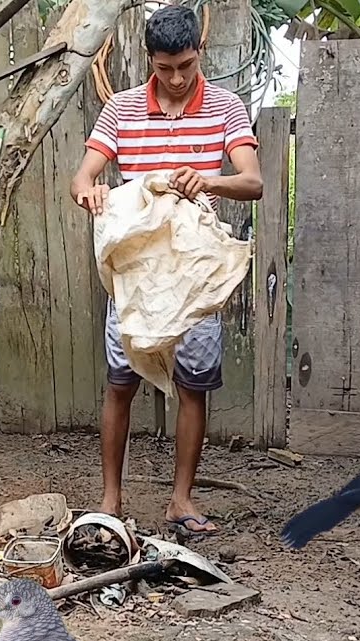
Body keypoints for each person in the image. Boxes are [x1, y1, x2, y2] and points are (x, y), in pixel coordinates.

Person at [69, 4, 263, 535]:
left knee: (193, 385)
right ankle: (111, 500)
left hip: (195, 271)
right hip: (137, 274)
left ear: (200, 52)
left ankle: (181, 500)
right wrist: (91, 193)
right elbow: (82, 179)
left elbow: (252, 181)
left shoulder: (225, 107)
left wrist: (209, 180)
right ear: (149, 59)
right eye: (164, 68)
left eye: (186, 66)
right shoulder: (122, 110)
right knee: (120, 381)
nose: (176, 79)